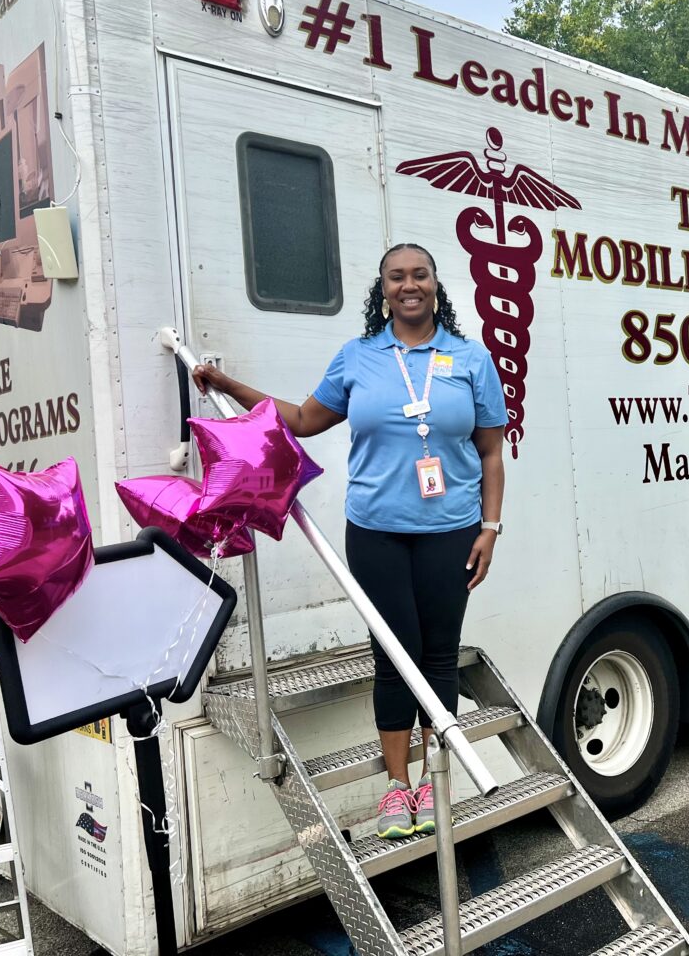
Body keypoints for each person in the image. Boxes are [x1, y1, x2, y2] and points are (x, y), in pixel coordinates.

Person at [193, 244, 506, 840]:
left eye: (419, 274)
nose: (408, 285)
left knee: (439, 653)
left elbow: (491, 452)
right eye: (396, 276)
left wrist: (491, 528)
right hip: (376, 533)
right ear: (382, 288)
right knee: (393, 654)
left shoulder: (469, 359)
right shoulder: (359, 357)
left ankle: (435, 781)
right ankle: (397, 788)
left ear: (436, 284)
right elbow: (305, 420)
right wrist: (227, 384)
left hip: (452, 532)